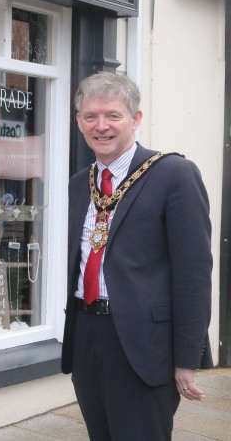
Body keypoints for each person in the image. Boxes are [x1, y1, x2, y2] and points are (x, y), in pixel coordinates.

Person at [61, 72, 213, 440]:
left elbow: (193, 275)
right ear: (79, 121)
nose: (101, 126)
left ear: (135, 119)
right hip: (86, 335)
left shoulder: (174, 174)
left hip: (145, 345)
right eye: (90, 116)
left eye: (113, 115)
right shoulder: (79, 182)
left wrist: (186, 359)